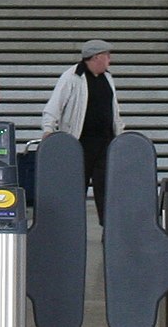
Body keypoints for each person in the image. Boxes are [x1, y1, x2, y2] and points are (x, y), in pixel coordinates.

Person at [41, 39, 125, 217]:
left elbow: (114, 109)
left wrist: (120, 133)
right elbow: (54, 106)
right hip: (80, 143)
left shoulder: (107, 78)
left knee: (106, 189)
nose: (110, 60)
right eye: (107, 56)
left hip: (105, 142)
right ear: (96, 57)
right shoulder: (72, 77)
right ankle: (72, 225)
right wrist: (48, 129)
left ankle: (108, 227)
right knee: (76, 187)